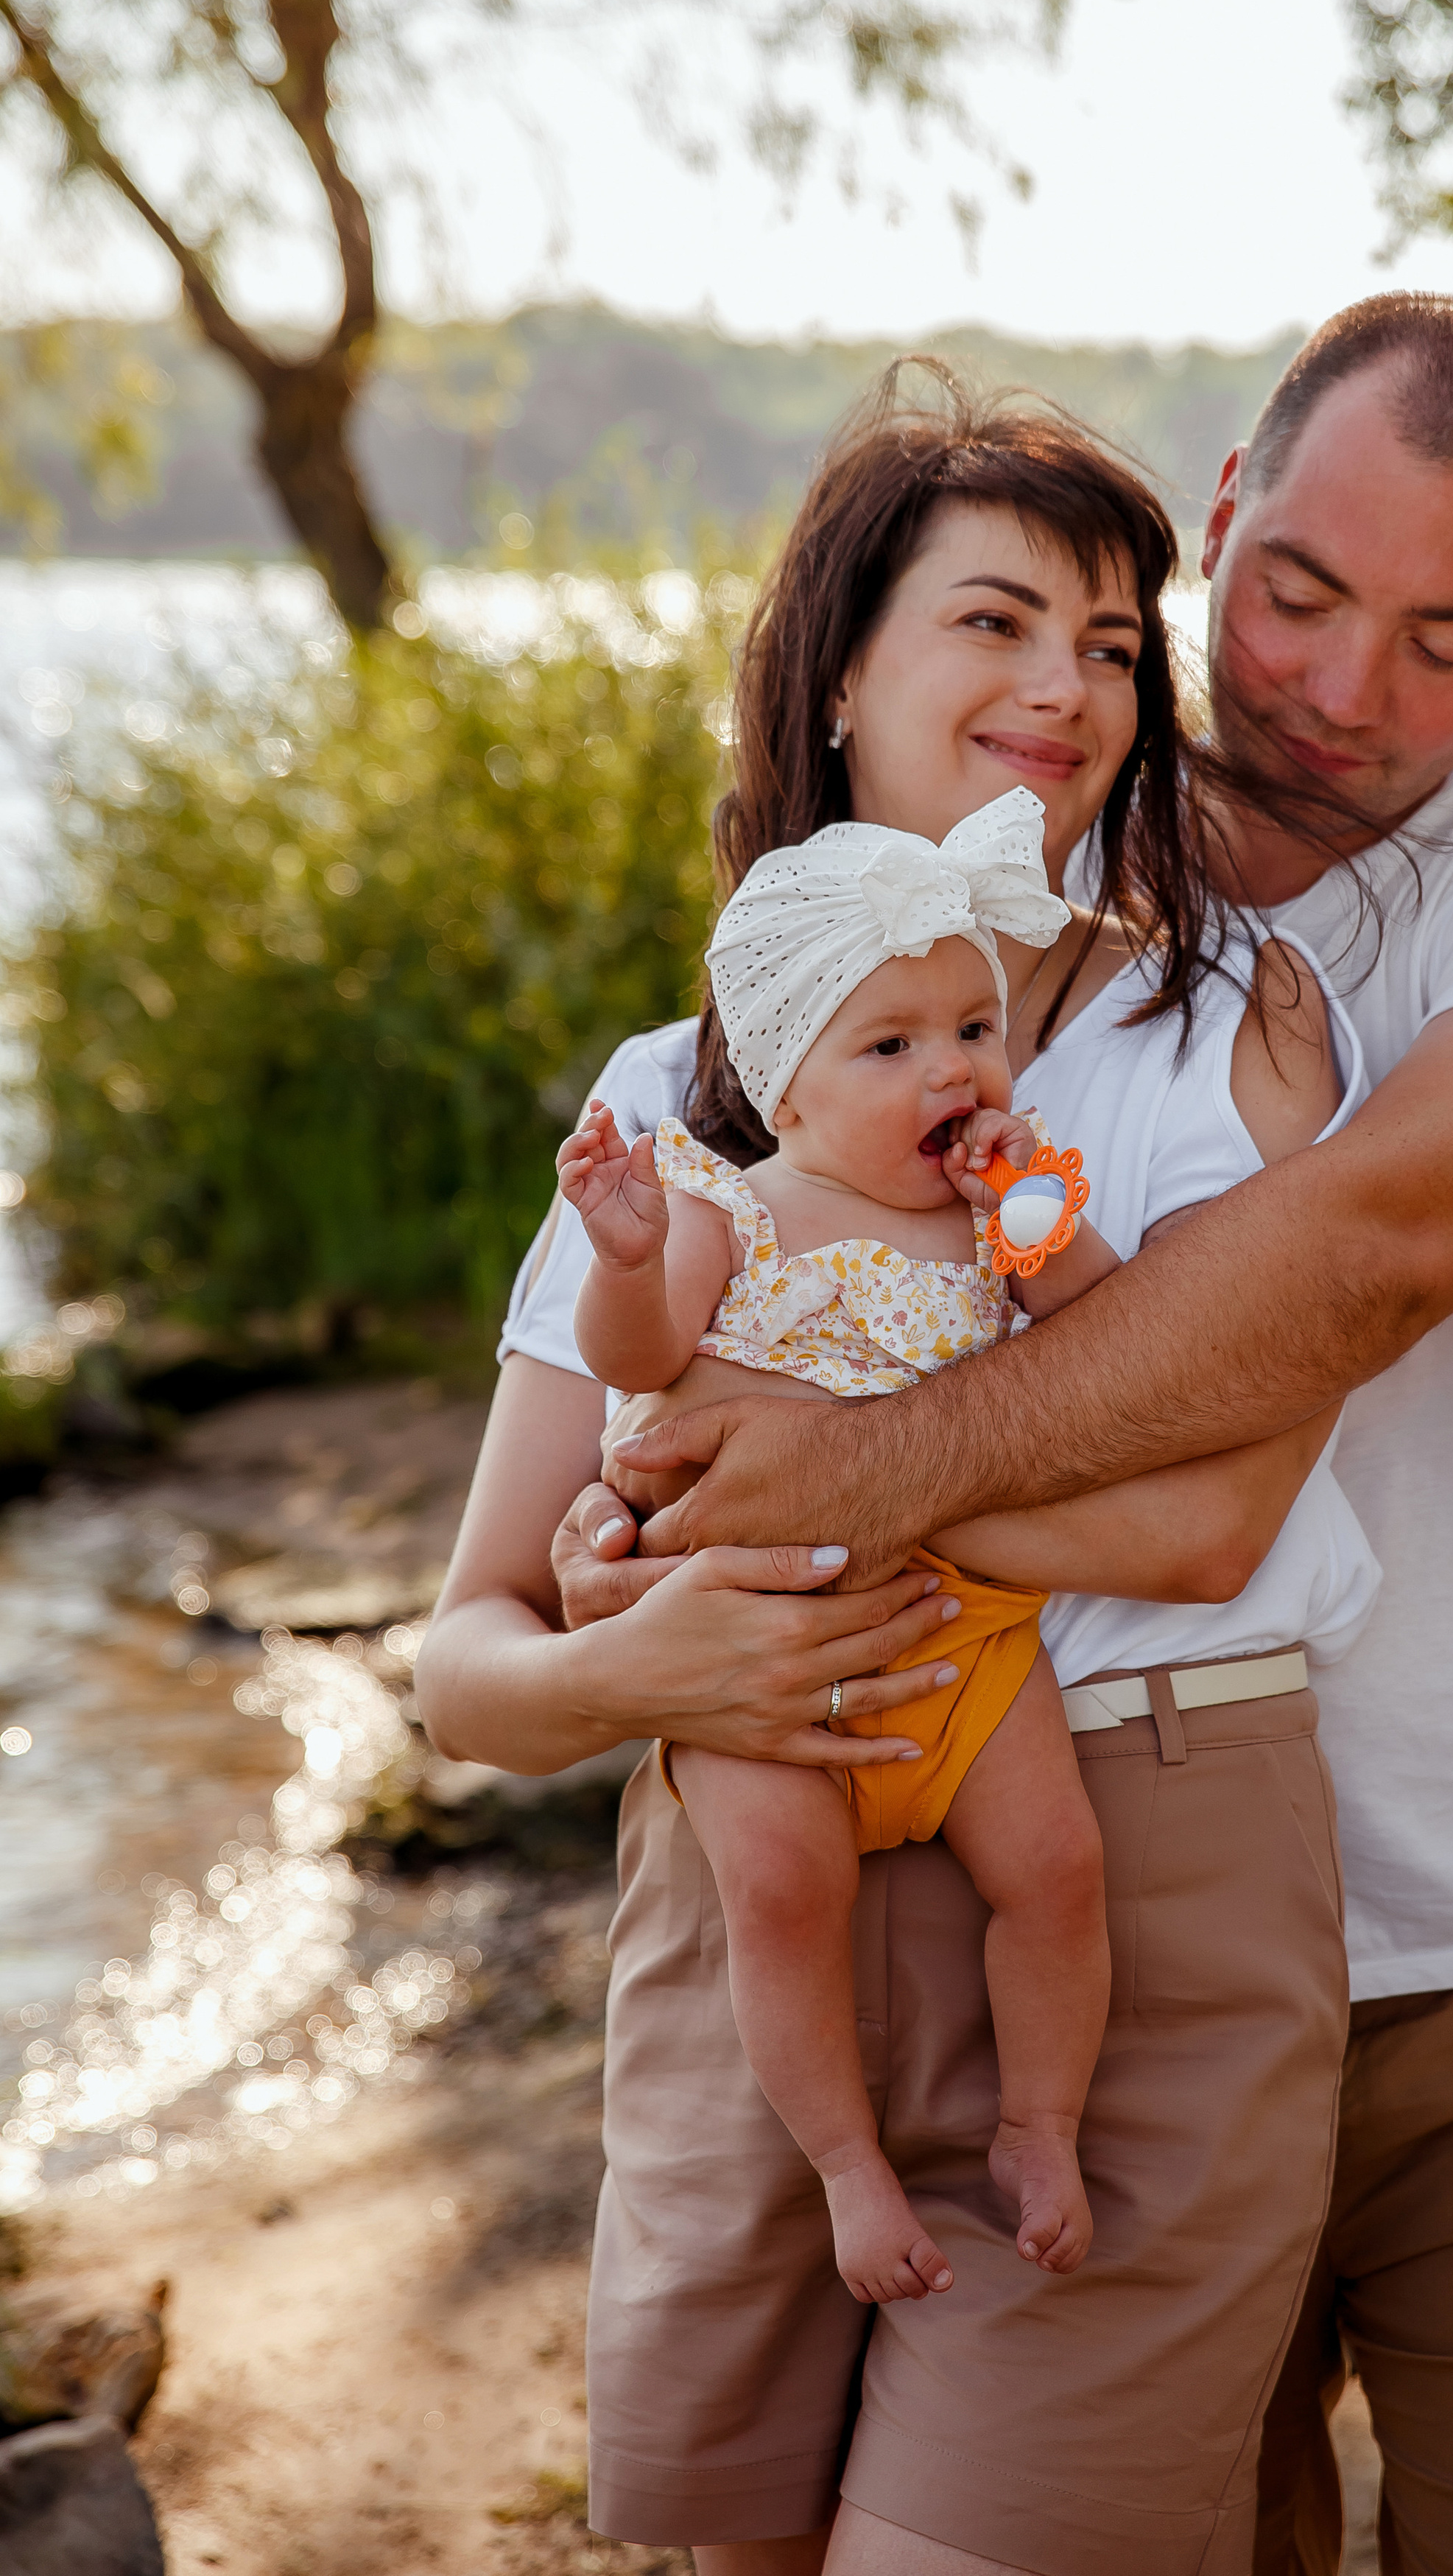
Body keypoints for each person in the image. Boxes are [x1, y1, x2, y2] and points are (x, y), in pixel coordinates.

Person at [613, 297, 1453, 2576]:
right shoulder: (1008, 939)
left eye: (1446, 637)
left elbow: (1369, 1258)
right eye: (1300, 594)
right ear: (1222, 518)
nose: (1338, 688)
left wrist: (835, 1483)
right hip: (1107, 1935)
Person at [418, 366, 1377, 2573]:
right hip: (745, 1880)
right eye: (998, 622)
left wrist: (780, 1482)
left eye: (1120, 644)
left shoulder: (1227, 1039)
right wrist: (649, 1670)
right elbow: (465, 1662)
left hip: (1108, 1835)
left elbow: (1216, 1514)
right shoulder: (682, 1090)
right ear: (840, 667)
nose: (1068, 685)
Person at [553, 792, 1130, 2302]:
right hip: (760, 1657)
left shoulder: (996, 1210)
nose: (952, 1067)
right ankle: (848, 2170)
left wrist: (1038, 1222)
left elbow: (1113, 1342)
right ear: (783, 1085)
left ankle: (1037, 2125)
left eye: (974, 1029)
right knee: (783, 1899)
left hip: (966, 1638)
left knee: (1059, 1870)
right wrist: (619, 1255)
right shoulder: (724, 1207)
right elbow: (643, 1345)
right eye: (891, 1047)